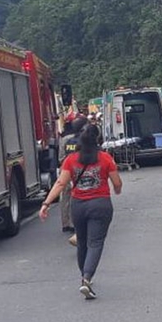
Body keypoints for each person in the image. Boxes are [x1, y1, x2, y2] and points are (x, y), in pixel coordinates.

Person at [39, 124, 122, 299]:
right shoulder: (106, 158)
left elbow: (61, 184)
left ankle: (83, 276)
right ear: (97, 140)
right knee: (96, 243)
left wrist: (46, 204)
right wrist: (117, 189)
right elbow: (117, 183)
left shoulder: (71, 160)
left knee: (82, 242)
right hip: (100, 204)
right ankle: (87, 278)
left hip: (78, 205)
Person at [59, 116, 87, 235]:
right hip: (79, 170)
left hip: (65, 170)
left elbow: (60, 157)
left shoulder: (64, 139)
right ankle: (77, 223)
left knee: (65, 196)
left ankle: (66, 223)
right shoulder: (84, 139)